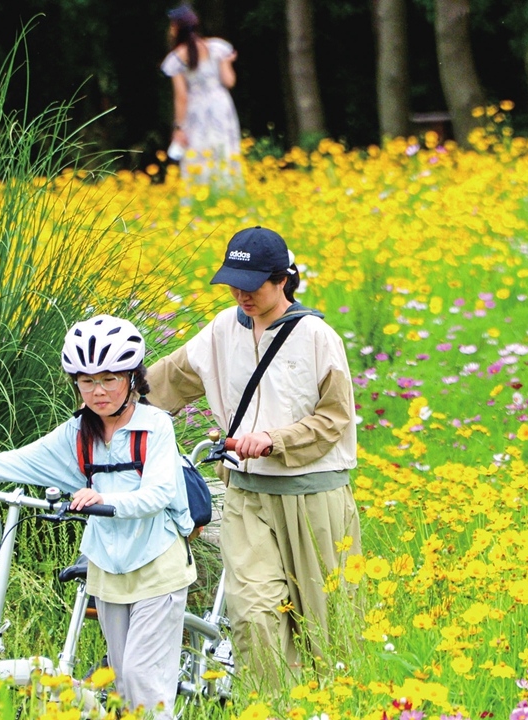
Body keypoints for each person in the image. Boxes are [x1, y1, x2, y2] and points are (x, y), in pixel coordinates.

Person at [0, 315, 195, 717]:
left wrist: (103, 498)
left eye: (109, 379)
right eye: (86, 381)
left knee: (144, 681)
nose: (97, 391)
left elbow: (160, 492)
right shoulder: (78, 433)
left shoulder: (155, 427)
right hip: (107, 566)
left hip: (157, 564)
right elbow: (25, 460)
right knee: (123, 682)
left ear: (132, 378)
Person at [145, 226, 361, 687]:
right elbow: (168, 382)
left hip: (314, 499)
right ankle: (271, 707)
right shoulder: (222, 330)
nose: (241, 293)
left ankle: (332, 706)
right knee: (253, 615)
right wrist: (107, 405)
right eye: (234, 282)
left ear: (282, 280)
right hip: (245, 496)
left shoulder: (318, 337)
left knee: (328, 629)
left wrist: (275, 439)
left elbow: (334, 419)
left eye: (253, 283)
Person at [160, 5, 244, 191]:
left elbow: (181, 96)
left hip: (196, 108)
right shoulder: (217, 47)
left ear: (176, 28)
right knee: (224, 149)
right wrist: (228, 62)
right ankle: (228, 192)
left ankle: (200, 194)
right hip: (221, 105)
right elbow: (229, 81)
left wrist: (179, 127)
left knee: (198, 151)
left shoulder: (176, 58)